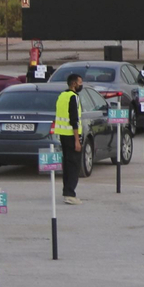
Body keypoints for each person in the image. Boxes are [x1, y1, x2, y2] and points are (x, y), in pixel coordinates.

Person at [53, 73, 84, 204]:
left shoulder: (62, 96)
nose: (81, 85)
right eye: (80, 82)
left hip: (63, 135)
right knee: (74, 165)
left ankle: (67, 191)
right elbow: (74, 120)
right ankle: (70, 194)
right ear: (74, 83)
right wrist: (77, 140)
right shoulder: (73, 97)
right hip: (71, 135)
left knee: (67, 164)